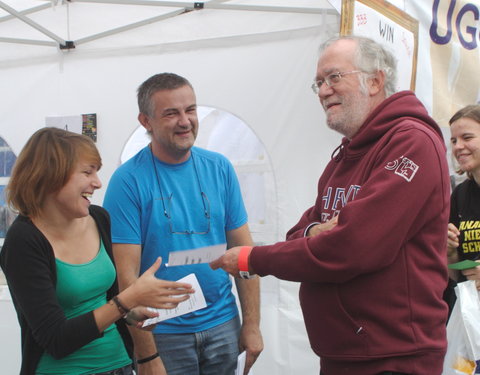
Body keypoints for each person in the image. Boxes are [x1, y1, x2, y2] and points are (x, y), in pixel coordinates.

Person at [211, 35, 450, 375]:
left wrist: (253, 257)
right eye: (319, 82)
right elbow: (300, 231)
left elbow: (353, 246)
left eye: (334, 77)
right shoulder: (345, 155)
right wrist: (318, 232)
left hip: (393, 356)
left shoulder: (412, 142)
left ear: (375, 80)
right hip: (347, 351)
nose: (323, 91)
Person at [103, 73, 263, 375]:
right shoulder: (128, 181)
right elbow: (127, 281)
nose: (185, 121)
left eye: (190, 110)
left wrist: (252, 325)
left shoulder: (219, 168)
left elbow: (245, 253)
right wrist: (147, 355)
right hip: (163, 334)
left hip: (223, 325)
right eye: (171, 113)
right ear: (146, 121)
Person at [0, 127, 194, 375]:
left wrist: (132, 314)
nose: (98, 183)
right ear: (51, 175)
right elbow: (56, 340)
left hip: (119, 365)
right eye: (87, 172)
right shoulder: (23, 241)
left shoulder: (98, 218)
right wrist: (126, 302)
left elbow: (108, 300)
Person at [447, 105, 480, 297]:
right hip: (471, 313)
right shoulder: (460, 194)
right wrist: (450, 252)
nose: (458, 146)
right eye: (454, 140)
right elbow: (454, 277)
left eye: (467, 138)